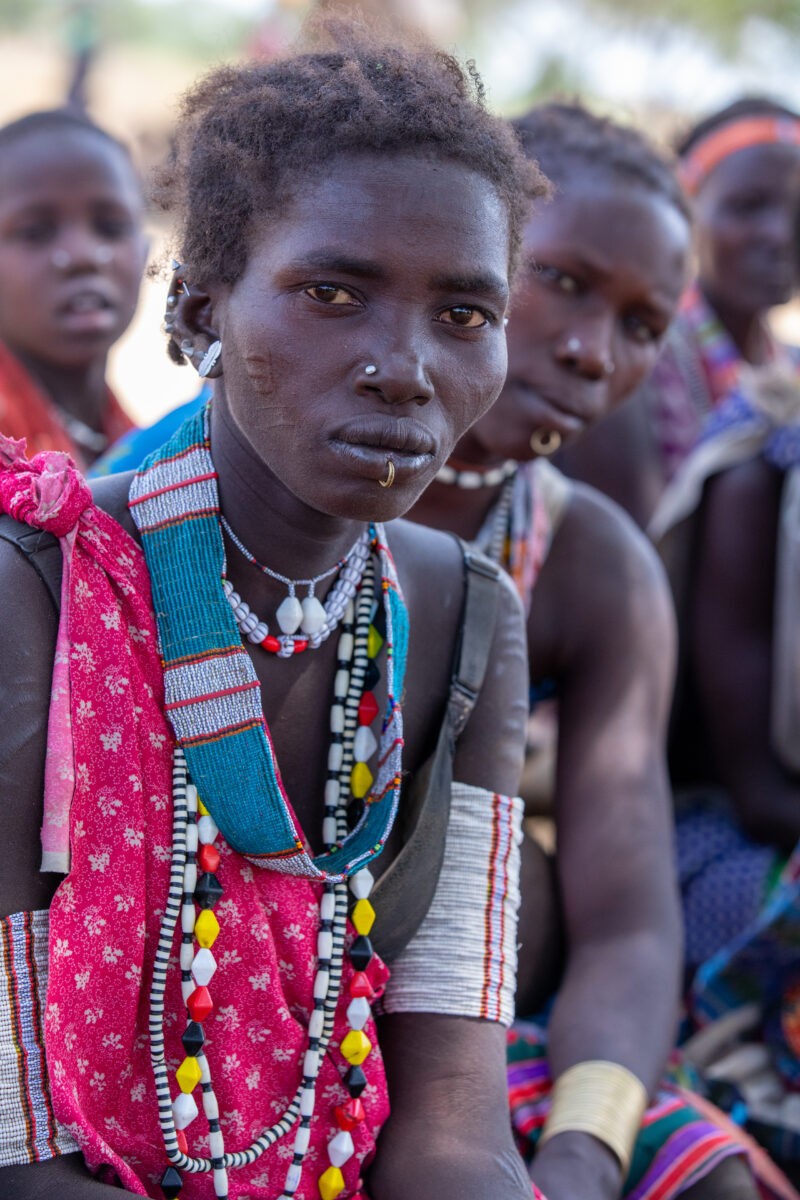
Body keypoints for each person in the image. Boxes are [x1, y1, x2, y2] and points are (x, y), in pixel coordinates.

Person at [0, 25, 546, 1200]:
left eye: (461, 315)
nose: (402, 367)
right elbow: (14, 1149)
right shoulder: (29, 591)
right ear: (199, 310)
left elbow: (454, 1120)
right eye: (331, 293)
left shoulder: (462, 620)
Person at [409, 103, 796, 1200]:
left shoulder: (586, 561)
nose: (589, 351)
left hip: (463, 1037)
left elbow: (627, 925)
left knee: (705, 1177)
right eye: (563, 281)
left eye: (640, 323)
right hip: (207, 990)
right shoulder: (244, 490)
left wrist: (581, 1154)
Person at [557, 97, 800, 529]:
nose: (781, 235)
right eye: (748, 206)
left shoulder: (788, 369)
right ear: (688, 215)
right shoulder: (629, 362)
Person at [0, 108, 147, 469]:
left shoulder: (144, 450)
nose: (83, 256)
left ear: (146, 253)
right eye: (36, 232)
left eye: (111, 227)